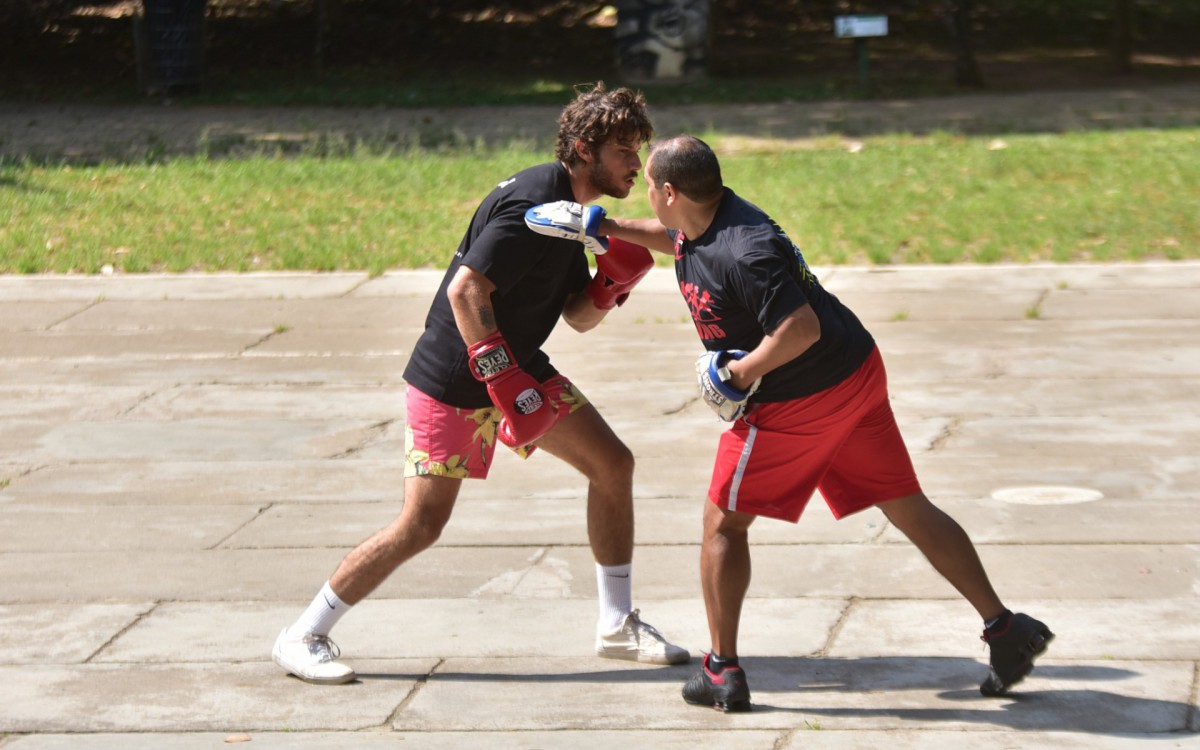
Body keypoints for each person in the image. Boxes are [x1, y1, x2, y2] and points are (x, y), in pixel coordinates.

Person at [524, 134, 1053, 712]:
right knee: (905, 502)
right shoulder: (708, 214)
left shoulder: (745, 251)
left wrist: (740, 374)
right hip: (855, 374)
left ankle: (721, 671)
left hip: (800, 398)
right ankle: (1005, 629)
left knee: (723, 525)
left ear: (670, 191)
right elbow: (673, 236)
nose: (645, 192)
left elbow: (800, 327)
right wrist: (601, 225)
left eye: (650, 184)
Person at [272, 83, 689, 685]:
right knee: (421, 525)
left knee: (612, 464)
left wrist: (609, 287)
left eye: (637, 151)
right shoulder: (532, 204)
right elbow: (465, 291)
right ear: (583, 149)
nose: (634, 164)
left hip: (517, 367)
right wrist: (503, 378)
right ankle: (303, 634)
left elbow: (576, 317)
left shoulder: (573, 216)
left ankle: (617, 624)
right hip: (456, 380)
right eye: (624, 151)